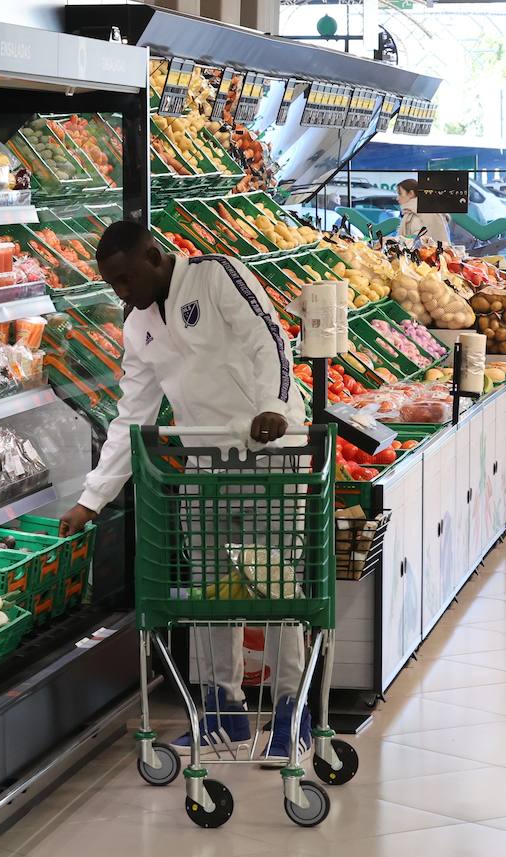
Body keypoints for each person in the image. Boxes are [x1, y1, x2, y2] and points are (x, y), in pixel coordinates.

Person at [57, 219, 310, 762]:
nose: (122, 294)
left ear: (153, 256)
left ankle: (293, 708)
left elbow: (270, 341)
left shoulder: (216, 277)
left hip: (267, 454)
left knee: (276, 584)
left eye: (126, 280)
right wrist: (92, 497)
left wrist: (275, 407)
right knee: (214, 590)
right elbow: (132, 417)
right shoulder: (138, 326)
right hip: (204, 468)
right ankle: (224, 711)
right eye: (113, 286)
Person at [396, 179, 452, 246]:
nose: (397, 198)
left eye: (400, 194)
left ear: (411, 193)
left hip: (428, 254)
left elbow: (420, 240)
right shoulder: (413, 213)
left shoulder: (425, 212)